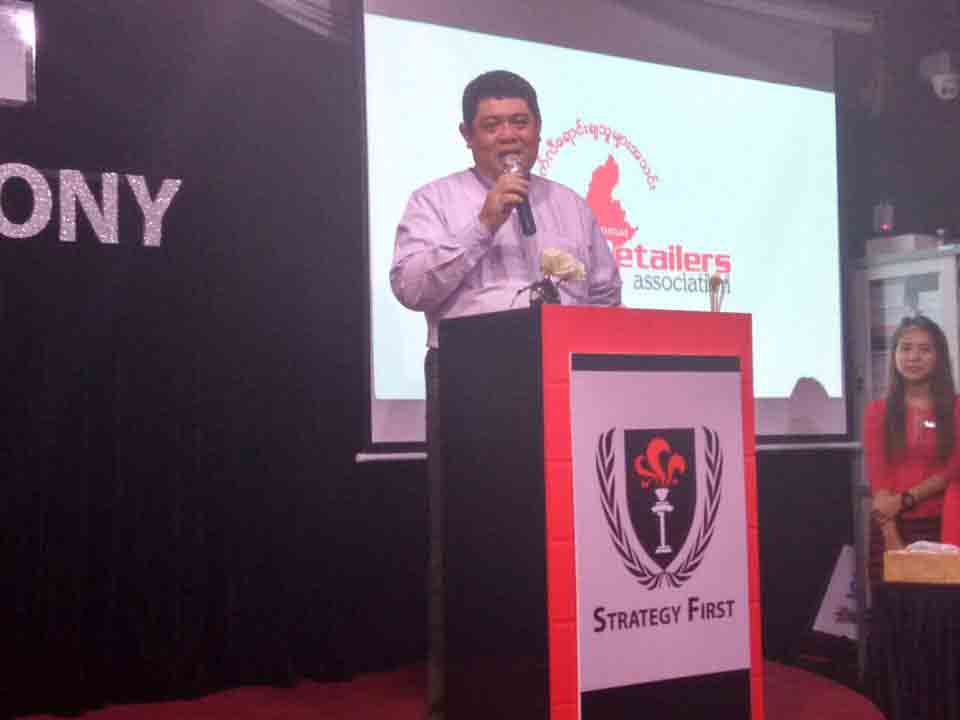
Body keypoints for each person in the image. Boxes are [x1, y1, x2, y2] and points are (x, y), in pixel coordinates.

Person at [389, 70, 621, 719]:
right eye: (492, 125)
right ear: (468, 135)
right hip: (474, 390)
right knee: (467, 542)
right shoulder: (435, 201)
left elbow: (605, 291)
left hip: (565, 385)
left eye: (520, 121)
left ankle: (568, 678)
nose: (508, 135)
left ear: (539, 130)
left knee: (567, 535)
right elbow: (411, 289)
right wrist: (485, 220)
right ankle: (461, 694)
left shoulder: (570, 205)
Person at [864, 315, 960, 586]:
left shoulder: (956, 409)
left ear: (939, 357)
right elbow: (879, 478)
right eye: (905, 348)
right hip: (890, 524)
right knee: (893, 606)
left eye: (924, 349)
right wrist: (891, 535)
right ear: (894, 355)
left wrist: (905, 499)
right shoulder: (877, 411)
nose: (914, 357)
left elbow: (953, 469)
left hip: (944, 525)